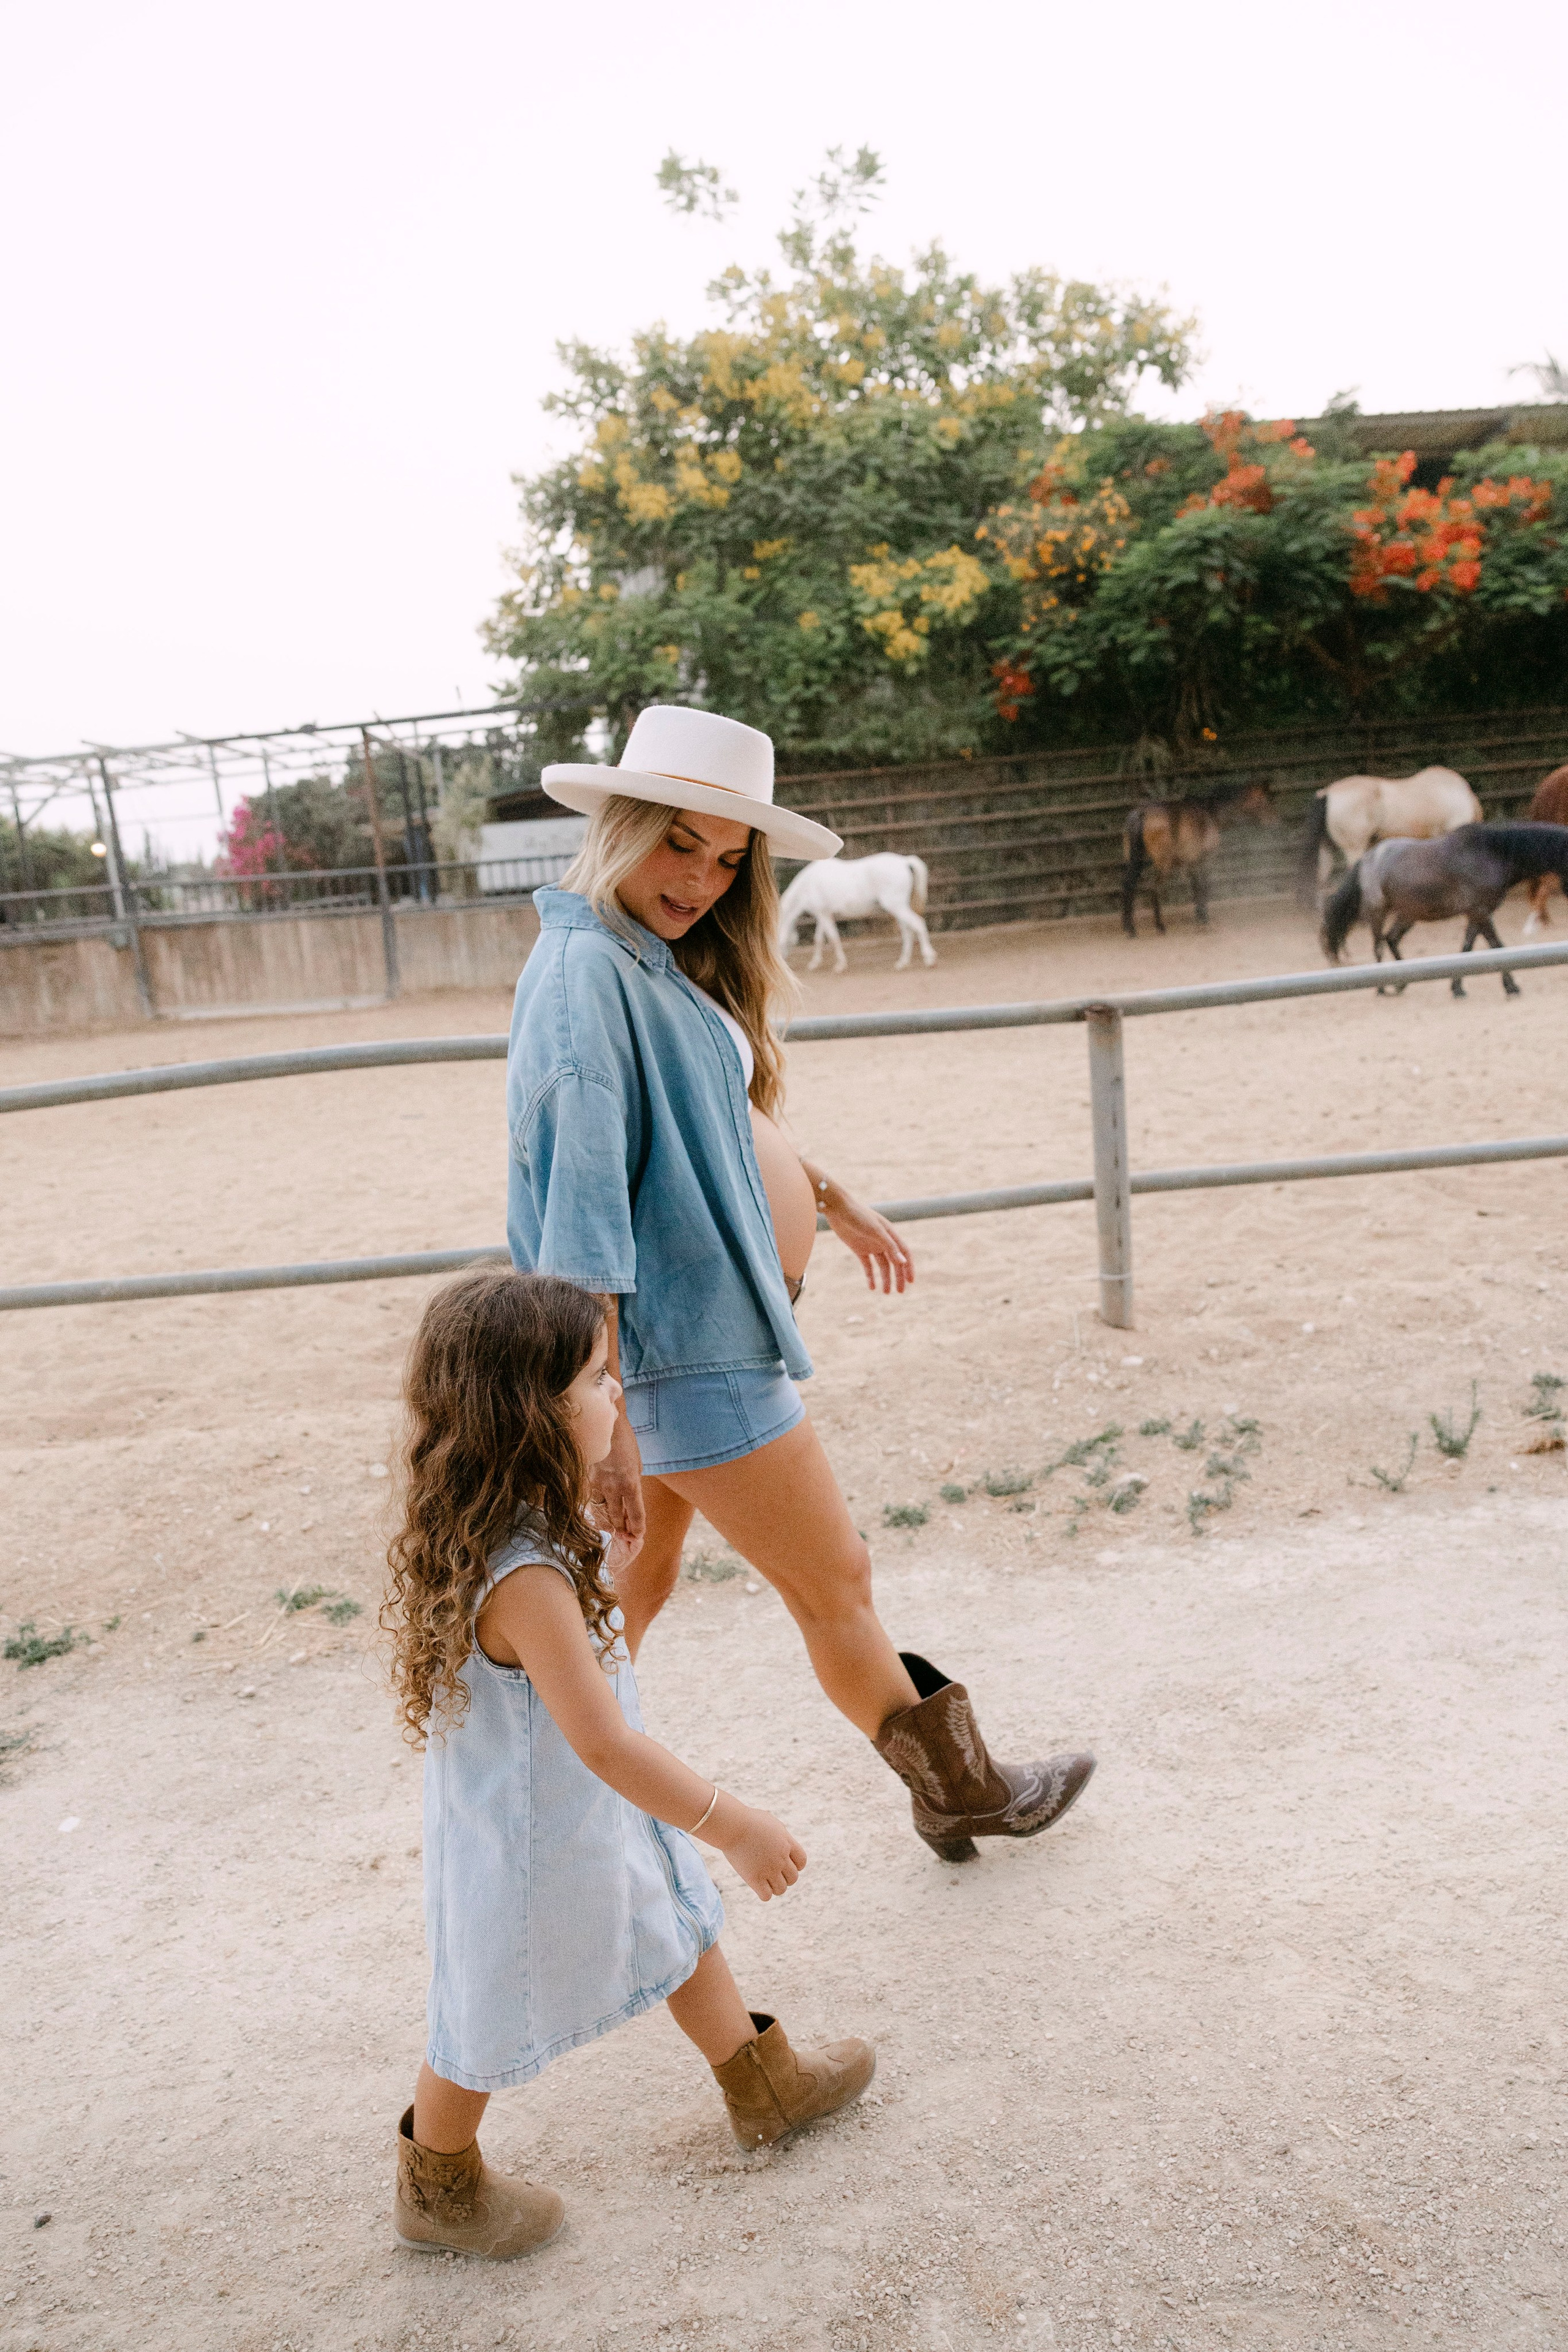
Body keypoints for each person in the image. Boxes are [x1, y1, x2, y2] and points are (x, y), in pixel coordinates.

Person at [505, 704, 1095, 1862]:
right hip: (688, 1348)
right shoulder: (585, 975)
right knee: (838, 1579)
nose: (703, 880)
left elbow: (707, 1122)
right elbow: (579, 1215)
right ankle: (961, 1790)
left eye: (728, 861)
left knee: (642, 1575)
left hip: (691, 1338)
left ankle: (531, 1795)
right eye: (681, 843)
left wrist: (826, 1191)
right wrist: (608, 1416)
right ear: (624, 825)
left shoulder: (640, 957)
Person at [383, 1265, 875, 2261]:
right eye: (599, 1382)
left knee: (674, 1917)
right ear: (534, 1413)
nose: (617, 1396)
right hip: (532, 1844)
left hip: (585, 1813)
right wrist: (733, 1822)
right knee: (486, 2008)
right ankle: (437, 2184)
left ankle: (761, 2083)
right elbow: (601, 1739)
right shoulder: (520, 1577)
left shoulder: (510, 1530)